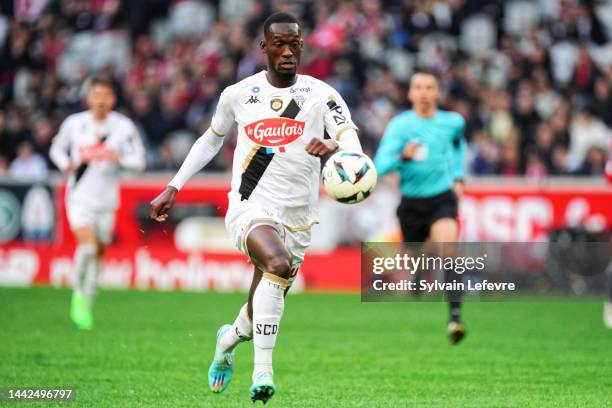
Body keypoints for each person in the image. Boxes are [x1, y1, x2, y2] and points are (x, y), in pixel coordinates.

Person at [149, 12, 361, 404]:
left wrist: (338, 148)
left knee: (265, 293)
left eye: (293, 44)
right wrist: (174, 185)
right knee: (277, 266)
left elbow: (350, 137)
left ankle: (227, 341)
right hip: (250, 206)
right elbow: (211, 140)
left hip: (299, 217)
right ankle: (263, 371)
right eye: (278, 44)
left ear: (302, 47)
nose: (286, 52)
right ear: (263, 47)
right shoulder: (238, 94)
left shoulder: (321, 94)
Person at [374, 71, 468, 344]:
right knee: (417, 251)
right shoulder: (400, 127)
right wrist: (403, 155)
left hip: (441, 197)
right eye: (418, 87)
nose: (424, 92)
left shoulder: (452, 122)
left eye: (429, 87)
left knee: (449, 248)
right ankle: (417, 272)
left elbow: (458, 143)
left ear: (438, 93)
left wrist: (459, 176)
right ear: (410, 94)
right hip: (411, 203)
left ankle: (455, 319)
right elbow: (380, 166)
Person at [50, 77, 146, 330]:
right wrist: (65, 164)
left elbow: (139, 162)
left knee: (99, 254)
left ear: (112, 99)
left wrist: (120, 160)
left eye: (105, 96)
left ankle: (88, 301)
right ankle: (77, 294)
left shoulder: (123, 127)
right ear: (88, 98)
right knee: (88, 247)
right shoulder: (74, 124)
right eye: (96, 95)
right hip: (79, 197)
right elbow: (56, 149)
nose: (100, 101)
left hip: (106, 201)